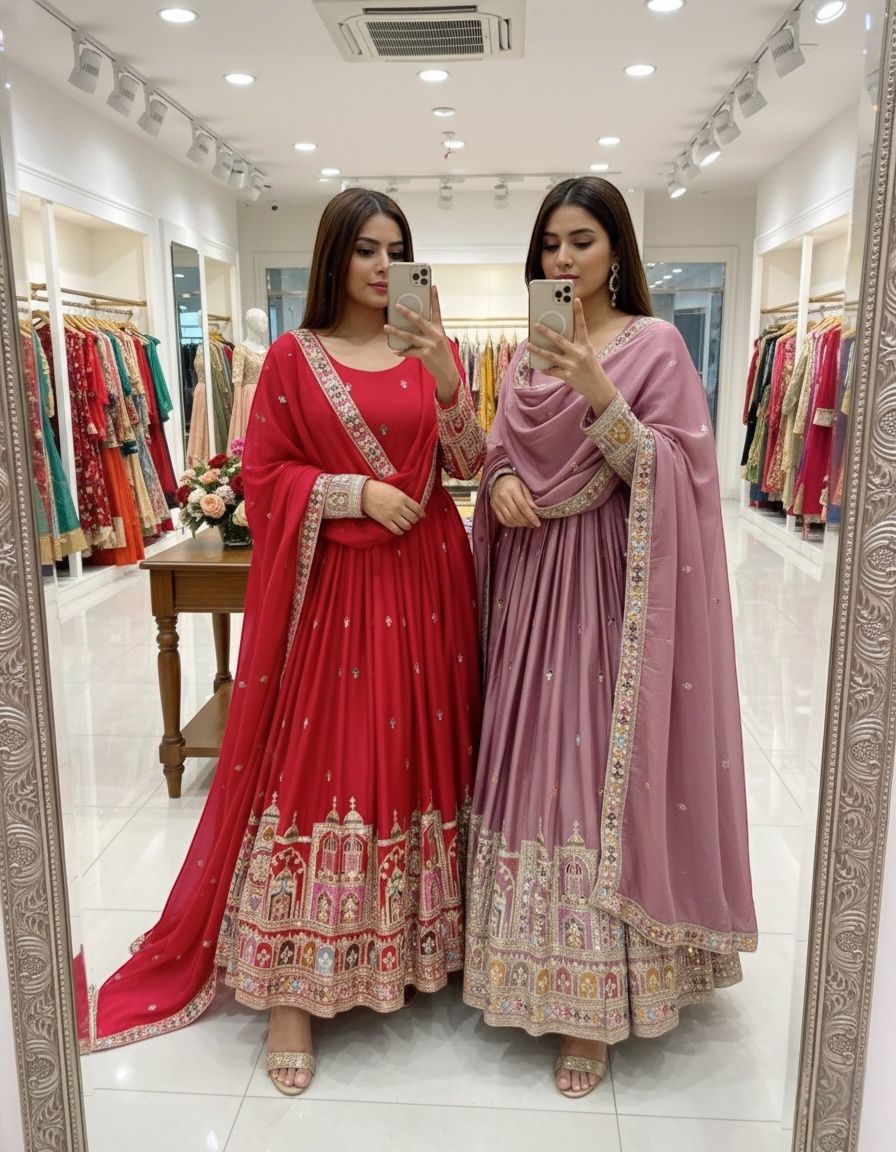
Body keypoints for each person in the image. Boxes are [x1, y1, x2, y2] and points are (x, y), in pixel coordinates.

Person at [80, 188, 486, 1097]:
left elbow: (468, 462)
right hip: (338, 591)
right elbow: (265, 477)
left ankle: (419, 945)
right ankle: (292, 990)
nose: (383, 267)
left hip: (430, 585)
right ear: (334, 257)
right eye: (366, 250)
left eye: (397, 251)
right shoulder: (297, 358)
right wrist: (350, 494)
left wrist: (447, 378)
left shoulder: (435, 350)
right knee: (325, 763)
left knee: (420, 758)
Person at [462, 177, 757, 1099]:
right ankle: (518, 960)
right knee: (528, 761)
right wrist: (502, 481)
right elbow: (501, 448)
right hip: (531, 588)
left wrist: (599, 391)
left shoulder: (656, 344)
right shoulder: (527, 354)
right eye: (551, 242)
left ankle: (594, 1006)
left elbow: (679, 471)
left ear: (617, 248)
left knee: (593, 769)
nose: (563, 258)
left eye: (581, 240)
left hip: (608, 588)